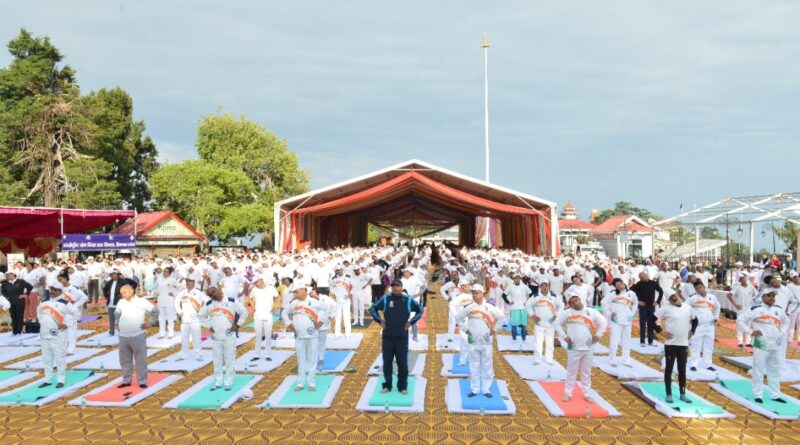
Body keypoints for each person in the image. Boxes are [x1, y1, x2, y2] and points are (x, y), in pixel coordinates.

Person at [370, 279, 423, 394]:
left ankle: (402, 386)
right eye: (393, 286)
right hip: (387, 337)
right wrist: (380, 321)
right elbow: (373, 308)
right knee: (387, 362)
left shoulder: (408, 299)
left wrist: (411, 322)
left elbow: (420, 310)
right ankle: (387, 385)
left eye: (397, 286)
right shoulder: (386, 299)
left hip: (401, 337)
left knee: (402, 363)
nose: (395, 288)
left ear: (401, 287)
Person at [737, 289, 789, 404]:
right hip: (760, 343)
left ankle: (775, 395)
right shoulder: (756, 309)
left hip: (775, 344)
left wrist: (782, 332)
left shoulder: (779, 310)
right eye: (769, 295)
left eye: (773, 295)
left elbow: (786, 321)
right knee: (758, 370)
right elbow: (740, 320)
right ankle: (758, 394)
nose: (771, 297)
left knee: (774, 370)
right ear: (763, 297)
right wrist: (750, 331)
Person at [554, 294, 607, 403]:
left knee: (586, 371)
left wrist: (599, 334)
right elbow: (557, 324)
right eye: (572, 302)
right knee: (571, 371)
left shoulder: (591, 312)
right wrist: (564, 336)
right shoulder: (567, 313)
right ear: (570, 305)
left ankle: (586, 393)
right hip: (573, 347)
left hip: (588, 347)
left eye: (576, 300)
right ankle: (568, 392)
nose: (575, 303)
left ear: (580, 300)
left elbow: (603, 322)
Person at [456, 284, 505, 397]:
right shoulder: (469, 307)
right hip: (473, 341)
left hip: (486, 341)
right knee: (474, 365)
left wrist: (494, 330)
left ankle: (486, 389)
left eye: (477, 293)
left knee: (487, 366)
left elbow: (502, 317)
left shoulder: (489, 307)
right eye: (473, 293)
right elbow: (458, 317)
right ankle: (475, 389)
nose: (474, 295)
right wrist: (465, 329)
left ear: (482, 293)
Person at [199, 286, 248, 390]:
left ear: (219, 290)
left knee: (229, 359)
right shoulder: (209, 304)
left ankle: (228, 381)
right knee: (217, 360)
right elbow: (200, 316)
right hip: (216, 336)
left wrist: (238, 325)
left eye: (214, 292)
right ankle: (218, 381)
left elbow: (244, 312)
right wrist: (209, 326)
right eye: (210, 294)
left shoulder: (232, 301)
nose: (213, 295)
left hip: (229, 335)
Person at [36, 284, 80, 388]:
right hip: (44, 335)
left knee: (59, 359)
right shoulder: (44, 302)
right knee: (47, 359)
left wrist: (67, 324)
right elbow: (38, 312)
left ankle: (61, 380)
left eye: (55, 290)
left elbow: (77, 314)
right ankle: (47, 380)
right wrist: (42, 321)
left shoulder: (65, 303)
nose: (52, 291)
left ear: (61, 291)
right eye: (52, 289)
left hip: (58, 336)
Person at [655, 292, 693, 403]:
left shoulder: (687, 307)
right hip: (671, 344)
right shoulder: (666, 308)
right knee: (669, 369)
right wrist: (660, 331)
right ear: (668, 300)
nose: (674, 297)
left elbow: (695, 320)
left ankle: (682, 393)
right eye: (671, 297)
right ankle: (669, 394)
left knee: (682, 370)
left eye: (674, 295)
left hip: (683, 344)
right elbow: (650, 319)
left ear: (677, 295)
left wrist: (692, 331)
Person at [115, 284, 153, 388]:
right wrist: (116, 323)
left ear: (131, 291)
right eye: (121, 293)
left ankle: (142, 381)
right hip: (123, 336)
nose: (123, 295)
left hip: (138, 335)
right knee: (124, 360)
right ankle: (126, 380)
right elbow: (117, 313)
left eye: (125, 292)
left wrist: (150, 323)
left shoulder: (141, 301)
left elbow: (155, 311)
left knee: (140, 360)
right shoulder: (121, 302)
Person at [286, 284, 323, 392]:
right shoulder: (293, 303)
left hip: (312, 336)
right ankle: (300, 383)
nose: (295, 294)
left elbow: (329, 309)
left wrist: (322, 321)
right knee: (301, 360)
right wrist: (288, 323)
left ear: (303, 290)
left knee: (312, 359)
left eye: (296, 292)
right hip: (299, 336)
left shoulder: (315, 301)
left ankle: (311, 382)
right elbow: (284, 314)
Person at [601, 278, 638, 367]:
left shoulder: (631, 293)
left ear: (624, 283)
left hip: (627, 320)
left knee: (626, 340)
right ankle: (612, 359)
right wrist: (609, 314)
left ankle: (626, 360)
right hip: (616, 320)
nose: (620, 286)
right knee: (614, 341)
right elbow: (603, 302)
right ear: (615, 287)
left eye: (621, 284)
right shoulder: (612, 294)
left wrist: (632, 314)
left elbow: (635, 304)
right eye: (618, 286)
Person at [525, 280, 563, 365]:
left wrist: (556, 315)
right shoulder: (535, 296)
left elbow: (561, 306)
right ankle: (537, 359)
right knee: (538, 342)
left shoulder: (554, 296)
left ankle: (549, 359)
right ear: (540, 287)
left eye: (546, 285)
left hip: (550, 323)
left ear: (548, 286)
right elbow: (527, 306)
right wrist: (532, 315)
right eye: (542, 285)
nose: (544, 287)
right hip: (539, 323)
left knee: (550, 342)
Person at [686, 280, 721, 372]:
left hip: (709, 325)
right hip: (697, 325)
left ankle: (708, 364)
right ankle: (693, 364)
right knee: (695, 345)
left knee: (709, 345)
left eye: (700, 287)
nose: (698, 290)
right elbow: (685, 308)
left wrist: (716, 317)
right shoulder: (692, 298)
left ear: (704, 286)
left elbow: (717, 307)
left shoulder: (712, 297)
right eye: (696, 288)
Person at [174, 274, 207, 361]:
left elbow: (207, 302)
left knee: (196, 338)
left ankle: (198, 355)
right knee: (184, 338)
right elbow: (176, 302)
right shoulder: (182, 293)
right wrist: (179, 312)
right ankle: (183, 354)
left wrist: (202, 313)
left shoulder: (199, 293)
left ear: (194, 282)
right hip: (185, 319)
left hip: (195, 319)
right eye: (187, 281)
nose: (187, 282)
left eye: (189, 281)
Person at [250, 274, 279, 361]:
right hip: (258, 314)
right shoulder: (254, 289)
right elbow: (250, 298)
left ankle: (268, 354)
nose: (255, 284)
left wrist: (275, 307)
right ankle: (257, 354)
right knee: (258, 335)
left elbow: (277, 298)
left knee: (268, 334)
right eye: (254, 283)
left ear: (261, 280)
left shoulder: (271, 288)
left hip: (268, 314)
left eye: (256, 282)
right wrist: (253, 307)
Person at [630, 272, 663, 347]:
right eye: (641, 277)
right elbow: (630, 292)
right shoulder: (638, 284)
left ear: (647, 275)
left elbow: (661, 291)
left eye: (643, 276)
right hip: (642, 307)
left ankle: (650, 341)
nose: (643, 278)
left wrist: (658, 301)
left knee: (651, 324)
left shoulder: (653, 283)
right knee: (642, 324)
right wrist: (638, 301)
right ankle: (642, 341)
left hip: (651, 307)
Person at [57, 273, 88, 355]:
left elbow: (84, 297)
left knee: (71, 331)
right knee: (62, 331)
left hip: (71, 313)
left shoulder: (74, 288)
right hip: (62, 312)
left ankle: (71, 349)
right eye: (58, 280)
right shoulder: (59, 289)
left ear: (66, 278)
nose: (60, 281)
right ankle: (63, 349)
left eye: (61, 279)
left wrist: (75, 305)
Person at [726, 273, 757, 347]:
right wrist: (735, 305)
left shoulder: (751, 287)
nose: (741, 280)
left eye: (742, 278)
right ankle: (740, 342)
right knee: (740, 325)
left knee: (748, 325)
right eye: (740, 279)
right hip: (741, 309)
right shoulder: (737, 287)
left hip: (749, 309)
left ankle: (748, 342)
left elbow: (756, 295)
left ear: (745, 278)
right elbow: (729, 295)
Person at [103, 269, 136, 336]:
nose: (113, 275)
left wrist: (124, 296)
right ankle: (111, 332)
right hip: (111, 304)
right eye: (112, 274)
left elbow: (129, 289)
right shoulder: (109, 282)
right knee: (111, 318)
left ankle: (123, 331)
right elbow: (104, 289)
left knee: (122, 318)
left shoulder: (123, 281)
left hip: (120, 303)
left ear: (118, 274)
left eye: (114, 274)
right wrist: (107, 296)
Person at [310, 287, 337, 368]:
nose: (310, 293)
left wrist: (330, 316)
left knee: (322, 342)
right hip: (313, 324)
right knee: (312, 342)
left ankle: (321, 358)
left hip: (324, 323)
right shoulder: (309, 300)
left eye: (312, 292)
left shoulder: (326, 299)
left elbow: (335, 307)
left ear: (317, 292)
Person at [503, 274, 532, 343]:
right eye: (515, 278)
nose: (517, 279)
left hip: (523, 308)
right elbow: (503, 295)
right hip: (514, 308)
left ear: (520, 279)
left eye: (518, 278)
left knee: (523, 325)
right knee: (514, 325)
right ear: (514, 279)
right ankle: (514, 339)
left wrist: (527, 301)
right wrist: (509, 302)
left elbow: (531, 294)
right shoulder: (510, 287)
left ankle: (524, 339)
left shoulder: (524, 286)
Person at [154, 267, 178, 339]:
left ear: (169, 273)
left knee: (170, 318)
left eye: (167, 272)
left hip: (169, 301)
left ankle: (171, 334)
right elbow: (155, 287)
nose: (165, 273)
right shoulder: (159, 279)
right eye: (164, 271)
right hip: (160, 300)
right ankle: (162, 333)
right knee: (161, 318)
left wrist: (174, 293)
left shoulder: (172, 279)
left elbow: (180, 287)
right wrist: (156, 292)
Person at [330, 266, 353, 338]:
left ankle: (348, 333)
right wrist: (335, 294)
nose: (338, 271)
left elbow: (353, 286)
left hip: (346, 299)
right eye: (337, 270)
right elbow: (331, 287)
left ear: (342, 270)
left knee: (346, 316)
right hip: (338, 300)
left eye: (339, 270)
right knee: (338, 317)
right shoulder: (333, 278)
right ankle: (337, 334)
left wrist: (350, 294)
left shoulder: (348, 276)